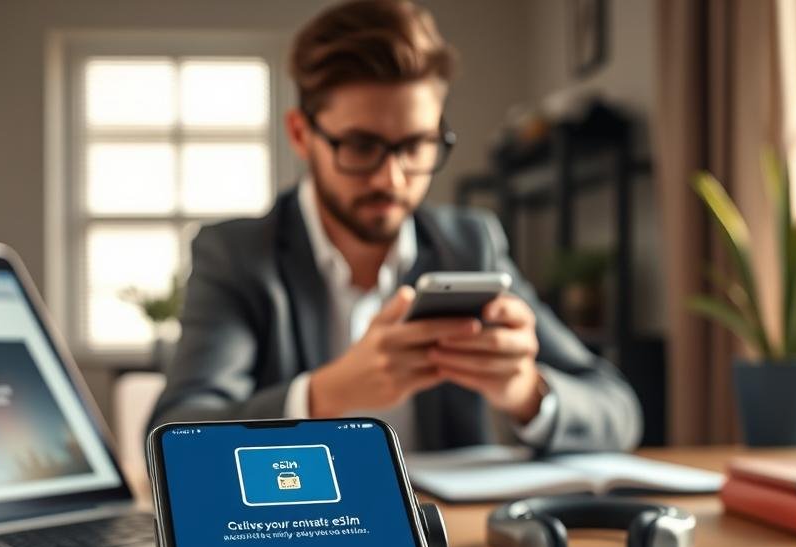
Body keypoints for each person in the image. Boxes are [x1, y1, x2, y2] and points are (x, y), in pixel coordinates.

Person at [148, 0, 641, 454]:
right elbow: (177, 432)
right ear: (301, 134)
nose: (392, 177)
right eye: (361, 146)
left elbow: (618, 410)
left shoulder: (470, 244)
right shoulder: (237, 256)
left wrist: (526, 392)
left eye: (416, 145)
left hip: (444, 537)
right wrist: (325, 395)